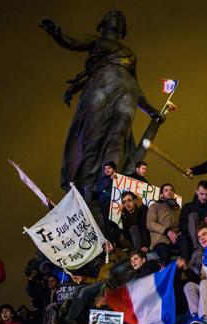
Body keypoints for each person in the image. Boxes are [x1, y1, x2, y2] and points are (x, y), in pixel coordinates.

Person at [40, 11, 162, 198]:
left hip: (126, 96)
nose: (118, 17)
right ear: (103, 23)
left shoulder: (130, 54)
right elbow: (72, 42)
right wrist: (58, 35)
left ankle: (110, 187)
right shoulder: (96, 41)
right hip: (99, 90)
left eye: (122, 18)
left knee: (118, 140)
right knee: (93, 139)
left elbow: (136, 86)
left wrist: (151, 110)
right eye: (113, 16)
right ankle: (88, 188)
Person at [146, 183, 190, 264]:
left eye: (171, 190)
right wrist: (167, 231)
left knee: (184, 239)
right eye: (166, 190)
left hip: (175, 238)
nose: (169, 192)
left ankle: (184, 264)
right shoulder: (155, 206)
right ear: (161, 195)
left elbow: (182, 224)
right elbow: (150, 223)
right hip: (160, 239)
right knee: (165, 256)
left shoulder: (178, 209)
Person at [179, 180, 207, 252]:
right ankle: (198, 247)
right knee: (193, 215)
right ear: (197, 192)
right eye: (202, 194)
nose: (204, 197)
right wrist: (202, 222)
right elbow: (182, 226)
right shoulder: (188, 207)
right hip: (191, 236)